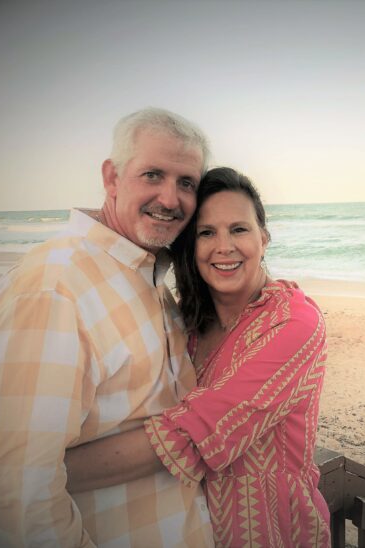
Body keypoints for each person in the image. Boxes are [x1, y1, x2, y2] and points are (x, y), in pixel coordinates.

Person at [0, 108, 215, 546]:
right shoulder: (54, 288)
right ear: (112, 178)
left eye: (186, 183)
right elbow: (17, 499)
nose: (171, 199)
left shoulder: (146, 277)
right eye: (153, 174)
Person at [60, 167, 331, 546]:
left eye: (239, 229)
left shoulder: (294, 323)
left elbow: (193, 433)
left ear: (264, 239)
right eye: (206, 233)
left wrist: (37, 472)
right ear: (191, 246)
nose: (224, 246)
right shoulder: (182, 322)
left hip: (274, 534)